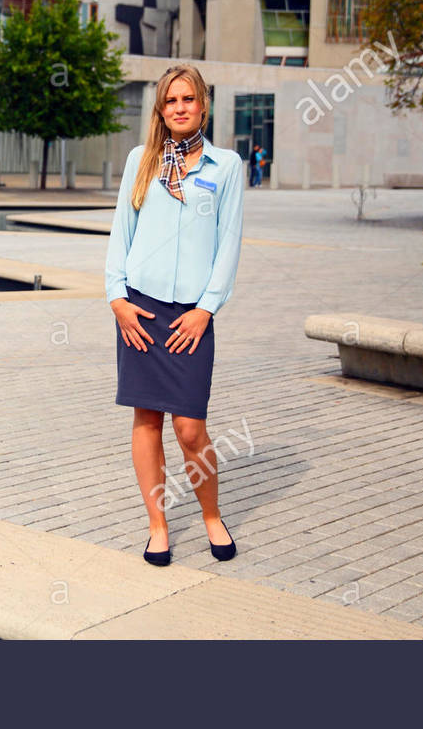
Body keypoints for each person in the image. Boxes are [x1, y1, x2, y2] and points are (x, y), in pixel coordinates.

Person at [105, 63, 245, 567]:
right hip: (138, 310)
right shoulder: (141, 159)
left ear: (203, 105)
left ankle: (211, 516)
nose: (180, 108)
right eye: (171, 101)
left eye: (188, 99)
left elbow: (229, 242)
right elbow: (122, 231)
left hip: (191, 317)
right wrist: (116, 299)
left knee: (189, 428)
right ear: (161, 110)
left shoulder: (224, 166)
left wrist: (206, 310)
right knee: (146, 420)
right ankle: (158, 526)